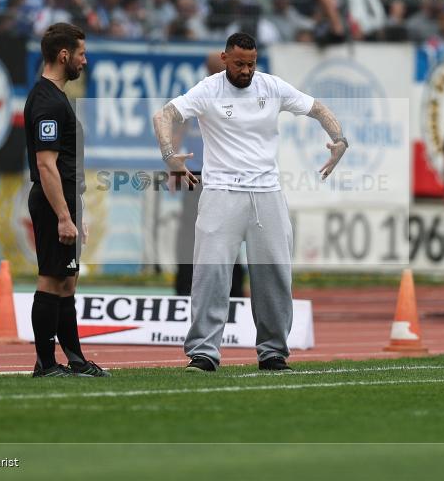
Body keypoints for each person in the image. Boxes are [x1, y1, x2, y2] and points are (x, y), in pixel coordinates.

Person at [153, 32, 348, 372]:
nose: (246, 71)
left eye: (251, 64)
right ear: (225, 58)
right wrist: (169, 156)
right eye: (240, 63)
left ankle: (273, 351)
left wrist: (340, 139)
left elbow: (317, 108)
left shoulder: (271, 86)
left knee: (274, 274)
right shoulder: (208, 89)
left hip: (267, 193)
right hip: (221, 192)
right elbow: (164, 115)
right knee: (211, 274)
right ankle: (203, 353)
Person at [23, 22, 109, 378]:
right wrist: (62, 215)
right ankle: (45, 364)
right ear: (64, 55)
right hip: (51, 203)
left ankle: (75, 360)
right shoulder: (46, 100)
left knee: (66, 282)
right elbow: (46, 165)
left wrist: (77, 212)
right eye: (81, 54)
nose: (84, 61)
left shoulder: (57, 98)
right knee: (50, 280)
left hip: (66, 202)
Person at [174, 51, 245, 299]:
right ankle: (184, 288)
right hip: (197, 173)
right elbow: (178, 127)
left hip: (224, 174)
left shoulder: (238, 98)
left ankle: (233, 289)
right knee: (191, 233)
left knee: (228, 232)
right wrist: (172, 164)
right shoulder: (199, 93)